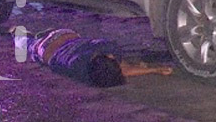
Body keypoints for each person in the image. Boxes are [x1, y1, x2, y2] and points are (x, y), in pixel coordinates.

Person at [13, 28, 172, 87]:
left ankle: (21, 35)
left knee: (29, 42)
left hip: (62, 36)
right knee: (29, 43)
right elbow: (125, 71)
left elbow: (124, 70)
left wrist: (155, 69)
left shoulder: (106, 48)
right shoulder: (81, 71)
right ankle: (20, 36)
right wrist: (154, 69)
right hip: (53, 43)